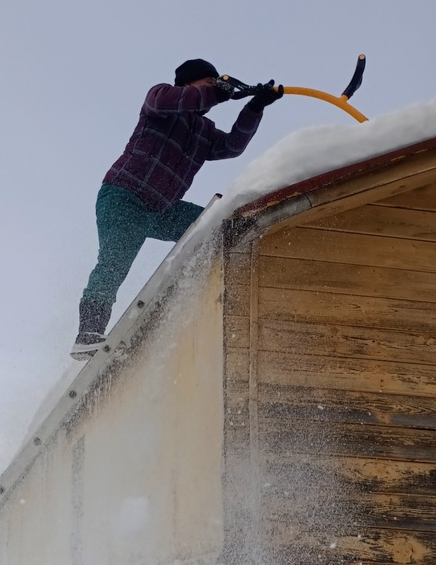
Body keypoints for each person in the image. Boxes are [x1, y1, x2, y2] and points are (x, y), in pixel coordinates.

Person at [71, 58, 283, 359]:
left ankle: (214, 282)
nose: (212, 89)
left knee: (215, 224)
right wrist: (216, 93)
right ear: (188, 82)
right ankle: (87, 334)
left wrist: (255, 107)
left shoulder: (204, 130)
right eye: (207, 84)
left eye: (214, 85)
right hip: (124, 196)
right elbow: (174, 101)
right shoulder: (160, 99)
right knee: (115, 260)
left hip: (162, 208)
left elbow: (232, 147)